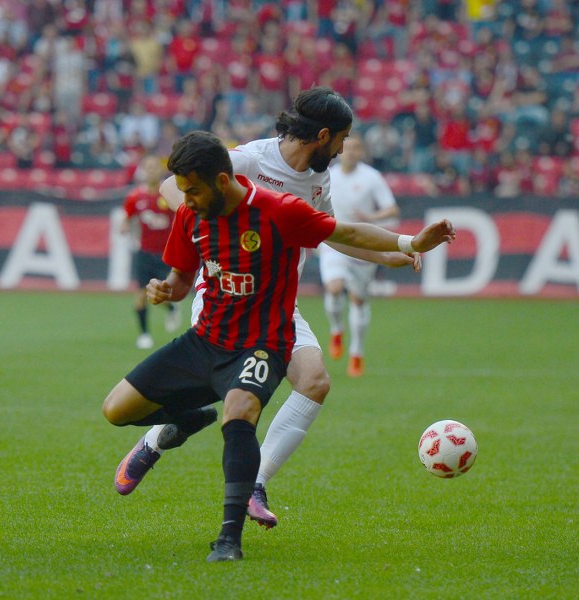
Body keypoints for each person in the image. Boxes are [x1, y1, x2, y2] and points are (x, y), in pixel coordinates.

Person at [102, 130, 455, 562]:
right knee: (116, 410)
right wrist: (163, 289)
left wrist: (408, 243)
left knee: (246, 410)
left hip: (264, 340)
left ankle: (229, 538)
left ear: (221, 181)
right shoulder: (197, 211)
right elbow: (177, 283)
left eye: (192, 190)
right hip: (208, 335)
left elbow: (345, 233)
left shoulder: (280, 210)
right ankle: (183, 421)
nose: (183, 198)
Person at [319, 132, 401, 377]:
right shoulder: (327, 174)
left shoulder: (371, 178)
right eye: (348, 147)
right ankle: (336, 329)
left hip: (363, 243)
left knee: (358, 299)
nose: (351, 152)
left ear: (362, 151)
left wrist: (370, 218)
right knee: (334, 287)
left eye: (357, 148)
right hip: (334, 241)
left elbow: (392, 209)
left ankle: (356, 352)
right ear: (341, 149)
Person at [121, 154, 181, 349]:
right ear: (143, 171)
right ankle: (144, 335)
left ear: (161, 170)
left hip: (166, 253)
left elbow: (183, 215)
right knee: (141, 294)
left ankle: (171, 307)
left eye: (155, 167)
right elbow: (127, 219)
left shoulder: (169, 193)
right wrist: (124, 227)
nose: (151, 170)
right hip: (144, 253)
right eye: (148, 167)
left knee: (162, 293)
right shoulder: (135, 197)